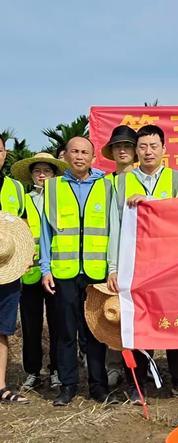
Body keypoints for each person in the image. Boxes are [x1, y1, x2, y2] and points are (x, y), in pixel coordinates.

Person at [107, 124, 178, 403]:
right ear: (136, 151)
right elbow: (116, 226)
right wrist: (113, 267)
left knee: (176, 322)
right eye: (143, 147)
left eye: (153, 146)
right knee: (137, 323)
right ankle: (138, 383)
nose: (148, 152)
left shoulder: (177, 180)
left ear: (164, 149)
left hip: (171, 265)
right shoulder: (122, 182)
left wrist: (150, 202)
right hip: (135, 265)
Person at [40, 137, 114, 406]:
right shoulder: (53, 188)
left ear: (93, 157)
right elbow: (45, 232)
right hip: (64, 270)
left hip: (96, 271)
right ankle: (68, 386)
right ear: (66, 156)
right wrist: (45, 268)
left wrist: (112, 268)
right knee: (66, 331)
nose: (80, 156)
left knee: (95, 331)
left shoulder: (108, 186)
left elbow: (114, 229)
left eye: (85, 152)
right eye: (75, 152)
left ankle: (98, 386)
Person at [11, 152, 68, 390]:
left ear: (55, 175)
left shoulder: (62, 199)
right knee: (31, 324)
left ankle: (56, 370)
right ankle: (33, 371)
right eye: (37, 171)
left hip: (56, 269)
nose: (42, 174)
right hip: (29, 270)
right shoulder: (24, 200)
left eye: (47, 170)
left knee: (57, 323)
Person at [101, 125, 137, 388]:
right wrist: (110, 265)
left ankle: (142, 368)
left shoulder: (144, 180)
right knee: (113, 314)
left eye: (127, 146)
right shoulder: (104, 182)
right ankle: (113, 366)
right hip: (113, 258)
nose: (122, 150)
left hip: (142, 261)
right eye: (117, 146)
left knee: (140, 315)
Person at [0, 136, 30, 404]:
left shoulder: (16, 188)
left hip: (7, 267)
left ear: (5, 153)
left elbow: (23, 223)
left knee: (2, 328)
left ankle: (1, 386)